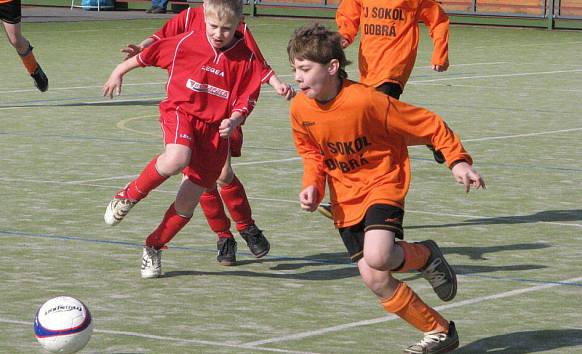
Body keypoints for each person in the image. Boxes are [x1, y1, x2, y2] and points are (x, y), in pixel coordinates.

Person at [288, 24, 485, 354]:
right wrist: (312, 186)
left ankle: (424, 256)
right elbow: (311, 153)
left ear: (333, 67)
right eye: (294, 69)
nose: (297, 77)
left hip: (383, 182)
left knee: (379, 256)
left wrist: (457, 161)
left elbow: (428, 124)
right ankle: (439, 330)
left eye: (305, 69)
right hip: (345, 197)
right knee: (375, 278)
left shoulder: (367, 101)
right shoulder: (300, 109)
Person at [120, 0, 294, 266]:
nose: (217, 31)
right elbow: (160, 37)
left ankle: (247, 226)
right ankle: (224, 237)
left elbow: (255, 62)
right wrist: (141, 48)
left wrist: (277, 83)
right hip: (190, 112)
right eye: (213, 26)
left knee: (222, 175)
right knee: (202, 181)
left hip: (221, 117)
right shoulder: (191, 16)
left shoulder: (234, 25)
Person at [313, 0, 451, 219]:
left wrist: (440, 53)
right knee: (383, 127)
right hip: (369, 66)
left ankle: (350, 201)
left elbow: (438, 20)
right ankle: (430, 135)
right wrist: (345, 35)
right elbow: (350, 11)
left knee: (369, 134)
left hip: (394, 67)